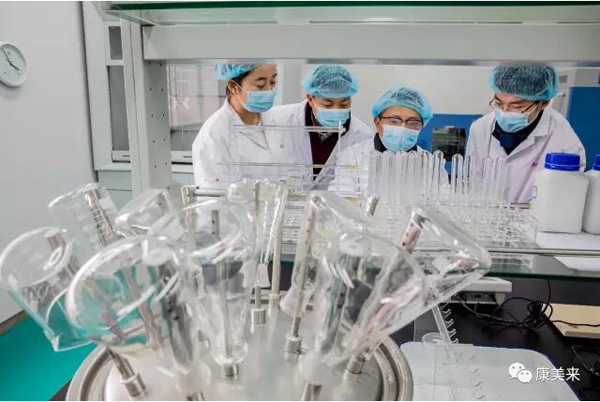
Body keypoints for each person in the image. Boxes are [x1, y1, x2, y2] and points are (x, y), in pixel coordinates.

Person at [466, 65, 586, 203]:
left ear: (543, 103)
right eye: (499, 103)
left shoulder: (564, 140)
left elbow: (564, 199)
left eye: (517, 107)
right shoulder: (480, 129)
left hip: (537, 216)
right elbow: (472, 184)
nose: (505, 112)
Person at [266, 65, 371, 189]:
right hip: (282, 198)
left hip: (333, 201)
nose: (336, 110)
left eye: (344, 104)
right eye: (328, 104)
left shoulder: (363, 136)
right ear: (310, 98)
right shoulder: (277, 120)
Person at [192, 64, 293, 190]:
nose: (269, 90)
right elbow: (212, 195)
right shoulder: (214, 134)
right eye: (260, 85)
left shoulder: (275, 120)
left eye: (272, 82)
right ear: (233, 86)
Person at [329, 87, 433, 194]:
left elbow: (441, 200)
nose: (403, 127)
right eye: (394, 121)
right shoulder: (352, 156)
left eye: (413, 123)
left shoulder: (430, 163)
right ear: (377, 123)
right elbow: (341, 199)